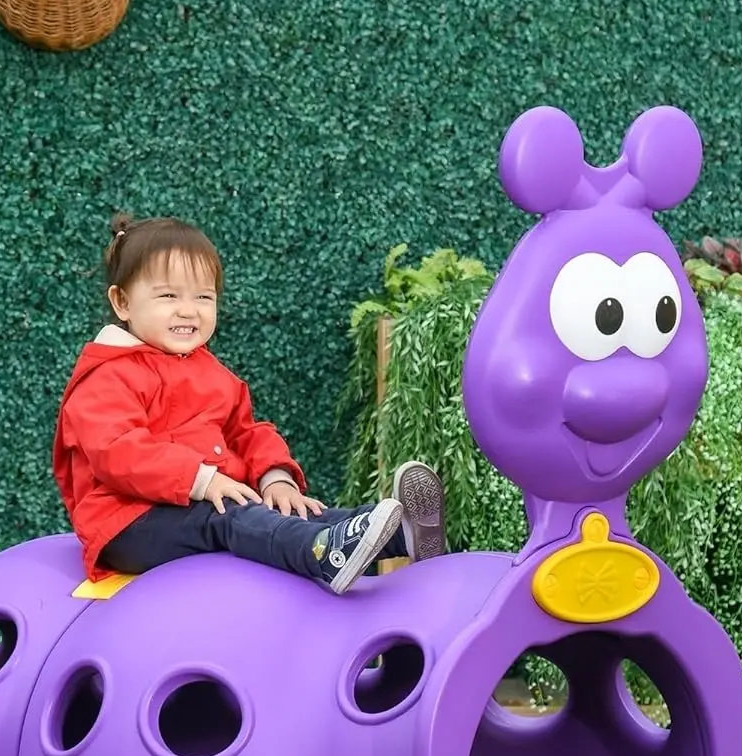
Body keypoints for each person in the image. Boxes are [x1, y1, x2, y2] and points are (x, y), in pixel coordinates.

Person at [52, 213, 447, 594]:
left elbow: (246, 431)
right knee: (228, 516)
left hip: (210, 502)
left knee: (287, 512)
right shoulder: (107, 375)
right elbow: (117, 450)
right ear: (122, 303)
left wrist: (276, 477)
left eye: (204, 297)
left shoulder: (211, 373)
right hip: (130, 523)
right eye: (168, 295)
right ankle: (323, 554)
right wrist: (202, 479)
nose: (188, 310)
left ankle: (403, 533)